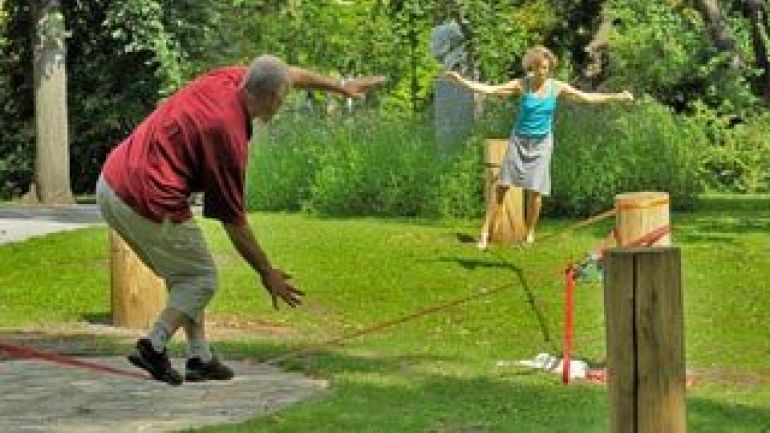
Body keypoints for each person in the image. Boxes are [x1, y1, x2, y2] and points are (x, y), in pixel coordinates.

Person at [96, 54, 386, 385]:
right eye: (283, 97)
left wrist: (341, 87)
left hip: (111, 183)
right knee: (201, 280)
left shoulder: (230, 79)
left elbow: (286, 73)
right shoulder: (228, 134)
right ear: (274, 99)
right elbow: (234, 223)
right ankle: (154, 344)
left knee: (185, 272)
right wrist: (267, 272)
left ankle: (199, 357)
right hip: (144, 198)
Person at [446, 45, 633, 249]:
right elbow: (491, 90)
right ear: (530, 68)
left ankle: (530, 233)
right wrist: (461, 82)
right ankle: (484, 233)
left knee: (536, 190)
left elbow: (586, 98)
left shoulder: (557, 88)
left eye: (545, 68)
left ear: (549, 68)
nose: (541, 72)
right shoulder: (521, 85)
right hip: (519, 140)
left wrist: (618, 97)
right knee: (501, 187)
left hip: (542, 142)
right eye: (536, 68)